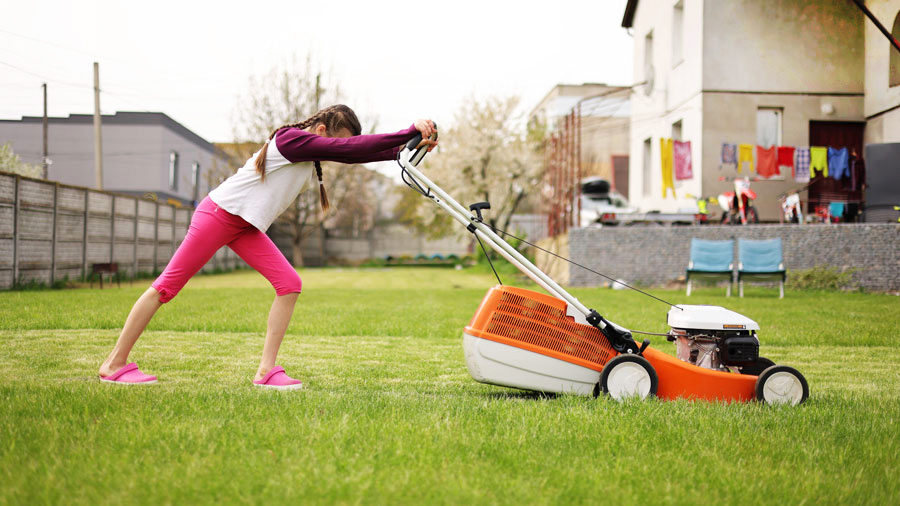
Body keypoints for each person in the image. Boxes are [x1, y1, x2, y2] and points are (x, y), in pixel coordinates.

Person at [98, 104, 437, 389]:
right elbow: (349, 150)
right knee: (166, 288)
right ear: (320, 129)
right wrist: (407, 130)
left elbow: (353, 153)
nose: (338, 148)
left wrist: (407, 146)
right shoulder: (290, 139)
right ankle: (114, 364)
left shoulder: (309, 153)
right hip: (218, 215)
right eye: (337, 140)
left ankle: (266, 371)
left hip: (244, 226)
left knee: (289, 284)